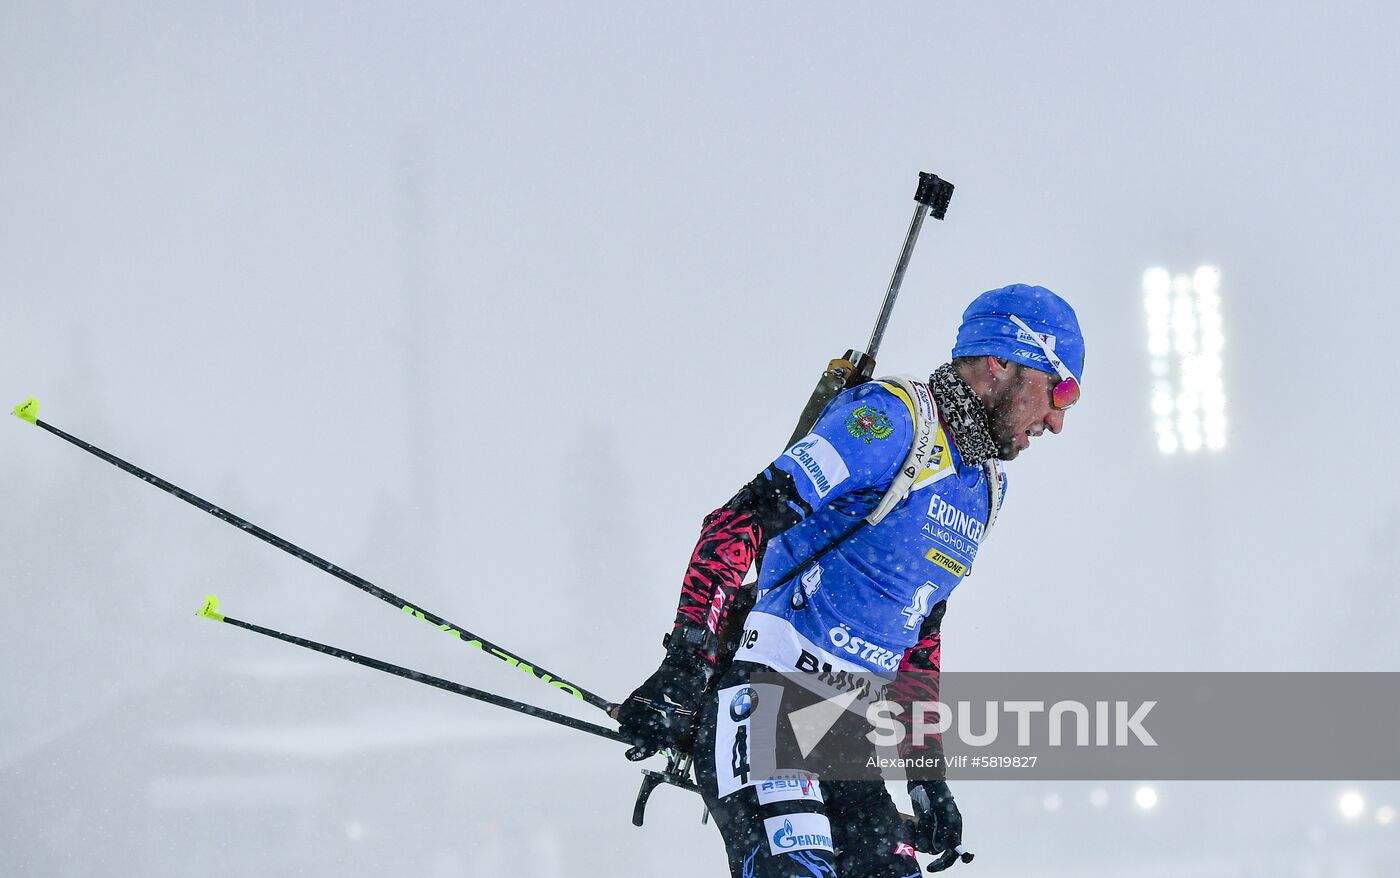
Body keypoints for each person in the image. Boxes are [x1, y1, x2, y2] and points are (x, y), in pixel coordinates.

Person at [618, 284, 1085, 877]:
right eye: (1058, 390)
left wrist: (924, 773)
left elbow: (919, 637)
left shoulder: (984, 490)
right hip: (765, 701)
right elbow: (739, 522)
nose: (1057, 420)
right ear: (1002, 363)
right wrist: (686, 667)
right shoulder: (890, 422)